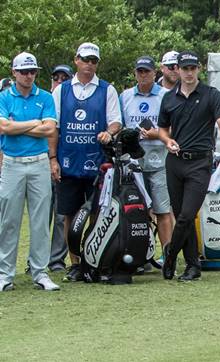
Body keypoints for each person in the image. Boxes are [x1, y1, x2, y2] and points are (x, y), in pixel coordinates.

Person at [158, 51, 220, 281]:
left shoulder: (211, 95)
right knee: (182, 214)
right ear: (178, 70)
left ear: (198, 70)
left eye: (193, 68)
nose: (189, 73)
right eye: (185, 69)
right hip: (174, 162)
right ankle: (192, 266)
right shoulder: (169, 98)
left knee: (186, 215)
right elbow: (162, 128)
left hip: (200, 163)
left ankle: (170, 255)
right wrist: (166, 140)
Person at [49, 42, 122, 282]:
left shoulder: (106, 89)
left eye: (94, 61)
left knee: (95, 212)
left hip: (97, 162)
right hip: (68, 160)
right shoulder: (62, 91)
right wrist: (53, 159)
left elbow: (115, 122)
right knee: (69, 214)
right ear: (76, 60)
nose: (89, 64)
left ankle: (93, 258)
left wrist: (109, 134)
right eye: (85, 59)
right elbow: (54, 127)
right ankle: (75, 263)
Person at [0, 52, 60, 291]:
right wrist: (34, 123)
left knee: (39, 221)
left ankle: (40, 272)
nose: (28, 76)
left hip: (38, 163)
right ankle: (5, 274)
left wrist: (18, 127)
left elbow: (49, 129)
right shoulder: (4, 97)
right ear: (14, 72)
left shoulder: (45, 97)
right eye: (24, 71)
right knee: (9, 221)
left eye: (32, 71)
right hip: (12, 164)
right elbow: (3, 127)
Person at [120, 56, 173, 262]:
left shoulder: (166, 95)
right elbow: (119, 124)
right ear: (135, 73)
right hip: (133, 160)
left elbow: (173, 127)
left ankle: (168, 257)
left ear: (155, 73)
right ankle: (139, 255)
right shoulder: (125, 96)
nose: (143, 75)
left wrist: (156, 134)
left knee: (162, 209)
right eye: (140, 71)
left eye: (147, 72)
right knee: (136, 210)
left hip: (159, 159)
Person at [46, 64, 74, 272]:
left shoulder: (70, 100)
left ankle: (56, 260)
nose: (60, 81)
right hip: (39, 161)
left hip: (63, 163)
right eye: (56, 78)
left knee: (61, 215)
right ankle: (34, 262)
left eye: (65, 78)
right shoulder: (44, 100)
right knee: (40, 217)